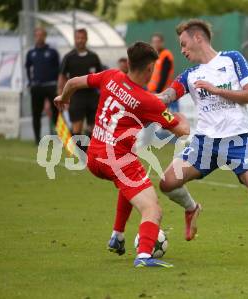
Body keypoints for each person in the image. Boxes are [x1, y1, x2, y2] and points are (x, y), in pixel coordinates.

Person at [157, 19, 248, 259]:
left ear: (198, 38)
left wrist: (217, 90)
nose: (182, 50)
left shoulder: (232, 59)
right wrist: (139, 99)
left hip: (237, 140)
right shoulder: (190, 75)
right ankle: (191, 208)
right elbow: (166, 96)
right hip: (205, 143)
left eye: (184, 44)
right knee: (167, 183)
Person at [54, 41, 190, 268]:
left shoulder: (111, 76)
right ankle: (145, 256)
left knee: (130, 185)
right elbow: (182, 131)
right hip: (118, 161)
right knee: (152, 209)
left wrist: (64, 97)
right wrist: (182, 117)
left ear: (128, 63)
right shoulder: (147, 101)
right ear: (149, 69)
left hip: (94, 157)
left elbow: (73, 82)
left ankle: (117, 236)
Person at [58, 28, 103, 145]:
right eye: (78, 38)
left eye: (82, 38)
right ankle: (81, 154)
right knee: (76, 128)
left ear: (86, 39)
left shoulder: (94, 57)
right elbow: (62, 77)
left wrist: (103, 94)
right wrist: (62, 95)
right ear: (74, 39)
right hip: (76, 97)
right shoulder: (69, 57)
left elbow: (102, 77)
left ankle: (90, 154)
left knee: (93, 128)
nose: (80, 40)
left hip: (92, 96)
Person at [25, 27, 60, 144]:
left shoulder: (52, 52)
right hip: (37, 87)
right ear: (35, 37)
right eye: (37, 35)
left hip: (51, 86)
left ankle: (59, 137)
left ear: (45, 36)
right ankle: (37, 139)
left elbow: (59, 69)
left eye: (41, 35)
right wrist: (30, 81)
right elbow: (27, 67)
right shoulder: (31, 53)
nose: (39, 37)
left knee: (56, 112)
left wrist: (58, 85)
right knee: (36, 113)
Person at [147, 33, 178, 111]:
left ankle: (172, 122)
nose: (156, 44)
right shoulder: (153, 56)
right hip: (153, 92)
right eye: (154, 42)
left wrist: (157, 91)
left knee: (164, 113)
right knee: (157, 113)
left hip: (162, 92)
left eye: (158, 41)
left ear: (162, 43)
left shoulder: (166, 55)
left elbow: (164, 76)